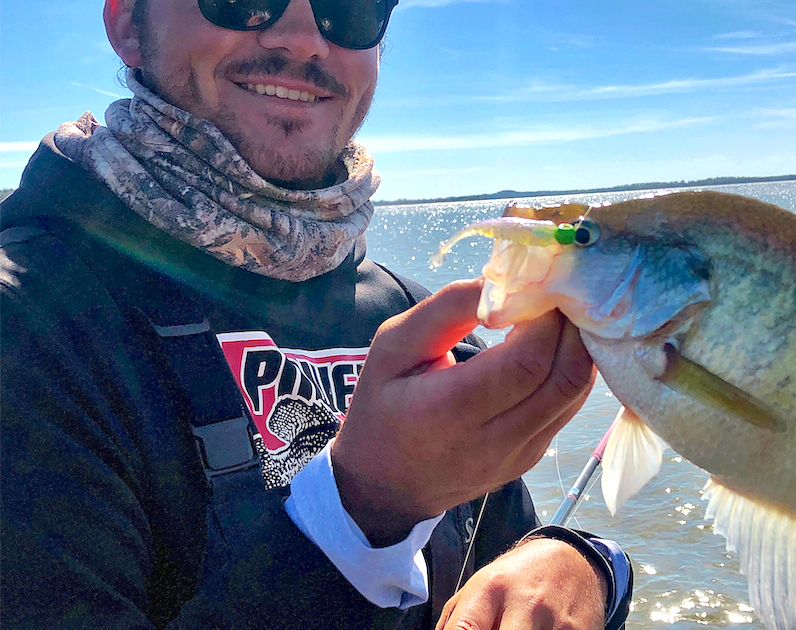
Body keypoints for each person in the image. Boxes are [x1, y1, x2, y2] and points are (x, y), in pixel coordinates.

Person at [0, 0, 633, 628]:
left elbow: (502, 551)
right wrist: (362, 514)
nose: (305, 40)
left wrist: (580, 564)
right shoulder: (26, 322)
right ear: (125, 24)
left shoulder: (409, 313)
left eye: (349, 7)